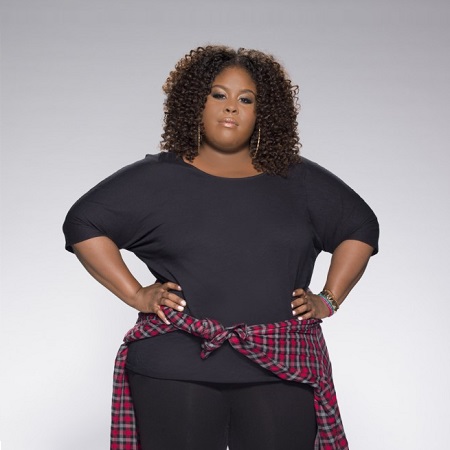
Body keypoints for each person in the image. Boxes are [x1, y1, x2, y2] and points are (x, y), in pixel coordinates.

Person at [63, 46, 379, 450]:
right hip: (175, 366)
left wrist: (328, 300)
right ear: (195, 102)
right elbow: (83, 223)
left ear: (264, 113)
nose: (231, 107)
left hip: (281, 364)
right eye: (218, 95)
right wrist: (136, 294)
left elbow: (359, 227)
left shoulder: (299, 181)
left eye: (246, 99)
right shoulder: (154, 179)